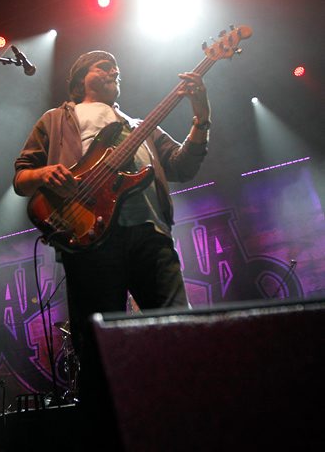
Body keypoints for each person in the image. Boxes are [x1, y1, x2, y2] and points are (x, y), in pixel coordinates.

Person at [13, 50, 210, 443]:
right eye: (103, 65)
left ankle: (187, 431)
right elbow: (21, 178)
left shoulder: (140, 126)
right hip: (88, 239)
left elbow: (184, 166)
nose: (113, 70)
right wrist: (44, 172)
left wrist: (201, 115)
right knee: (99, 351)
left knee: (178, 328)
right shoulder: (56, 119)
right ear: (80, 77)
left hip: (150, 232)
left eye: (116, 68)